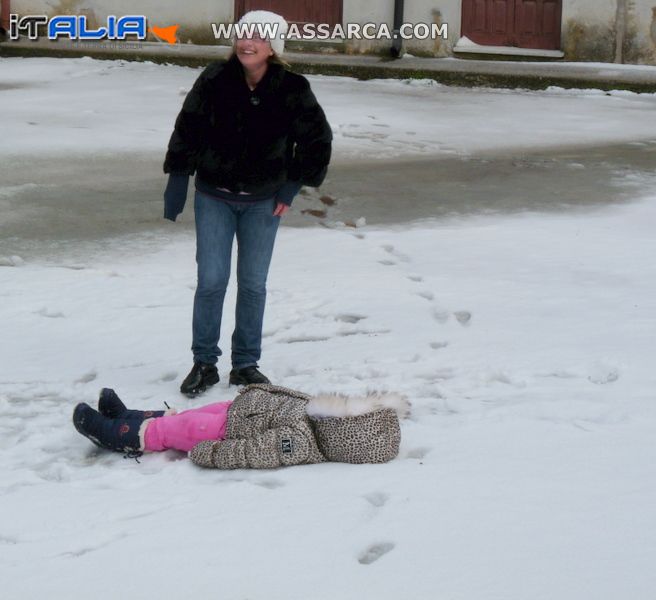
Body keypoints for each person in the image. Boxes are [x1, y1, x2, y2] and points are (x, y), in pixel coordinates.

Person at [163, 10, 333, 396]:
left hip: (264, 201)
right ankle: (204, 363)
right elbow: (187, 128)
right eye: (243, 34)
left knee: (253, 284)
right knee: (211, 281)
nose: (247, 42)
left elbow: (317, 140)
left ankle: (245, 366)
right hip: (214, 197)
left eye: (257, 36)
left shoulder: (292, 87)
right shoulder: (214, 79)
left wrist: (291, 187)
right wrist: (177, 180)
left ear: (273, 47)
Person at [72, 386, 408, 469]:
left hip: (227, 434)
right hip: (239, 411)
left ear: (345, 436)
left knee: (184, 428)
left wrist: (212, 454)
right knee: (190, 414)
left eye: (347, 413)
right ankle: (131, 417)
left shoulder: (302, 442)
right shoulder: (315, 418)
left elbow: (254, 452)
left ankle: (123, 435)